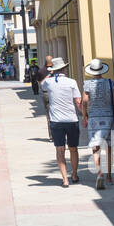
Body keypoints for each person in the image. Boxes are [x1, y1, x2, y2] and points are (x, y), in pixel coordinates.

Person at [40, 57, 82, 187]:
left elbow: (41, 84)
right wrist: (84, 115)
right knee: (73, 149)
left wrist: (50, 73)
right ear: (64, 68)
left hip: (56, 120)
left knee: (60, 149)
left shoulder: (50, 82)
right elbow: (78, 101)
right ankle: (74, 174)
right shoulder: (72, 82)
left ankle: (65, 179)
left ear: (53, 70)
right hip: (71, 119)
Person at [81, 58, 114, 189]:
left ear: (92, 71)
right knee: (109, 146)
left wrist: (84, 115)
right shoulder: (110, 83)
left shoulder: (87, 84)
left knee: (96, 146)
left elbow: (85, 101)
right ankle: (109, 176)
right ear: (102, 70)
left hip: (94, 118)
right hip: (108, 117)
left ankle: (99, 173)